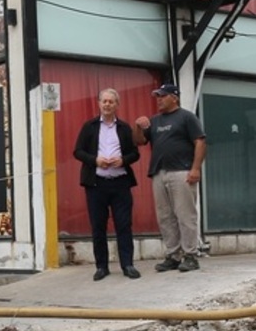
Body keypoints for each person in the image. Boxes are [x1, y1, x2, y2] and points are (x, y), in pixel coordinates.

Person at [134, 82, 207, 273]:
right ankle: (173, 255)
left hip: (182, 172)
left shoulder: (187, 117)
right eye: (157, 96)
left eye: (162, 96)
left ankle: (190, 255)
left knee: (185, 215)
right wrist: (139, 127)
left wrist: (195, 169)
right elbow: (139, 141)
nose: (158, 99)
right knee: (165, 216)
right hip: (159, 173)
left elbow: (200, 142)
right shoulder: (154, 121)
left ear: (174, 97)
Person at [73, 88, 141, 281]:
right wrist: (95, 160)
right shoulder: (90, 126)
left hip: (120, 184)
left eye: (111, 101)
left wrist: (123, 160)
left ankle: (127, 265)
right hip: (96, 185)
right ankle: (101, 267)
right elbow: (78, 151)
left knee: (124, 225)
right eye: (104, 101)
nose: (107, 104)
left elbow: (135, 153)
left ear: (117, 105)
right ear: (99, 103)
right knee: (98, 226)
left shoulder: (125, 128)